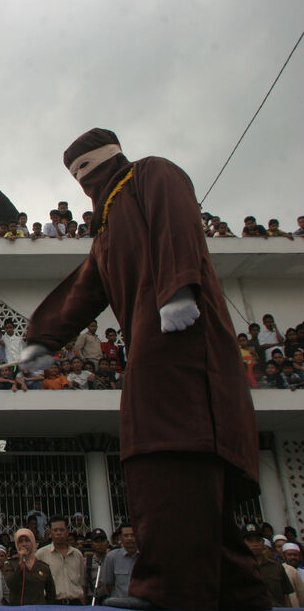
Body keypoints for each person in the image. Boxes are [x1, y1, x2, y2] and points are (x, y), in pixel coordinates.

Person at [19, 128, 269, 610]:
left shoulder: (150, 174)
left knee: (167, 454)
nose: (83, 181)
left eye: (87, 169)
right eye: (76, 176)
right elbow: (83, 290)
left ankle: (165, 590)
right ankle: (240, 595)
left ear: (108, 159)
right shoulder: (107, 227)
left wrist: (179, 288)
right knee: (198, 500)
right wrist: (42, 340)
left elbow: (178, 223)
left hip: (183, 342)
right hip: (149, 352)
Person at [2, 528, 56, 605]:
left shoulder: (43, 567)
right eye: (20, 541)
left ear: (33, 542)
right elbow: (11, 585)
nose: (24, 544)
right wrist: (20, 565)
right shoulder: (10, 564)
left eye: (27, 541)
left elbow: (51, 594)